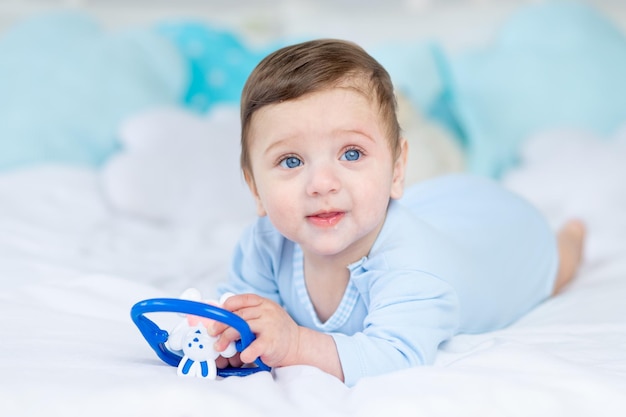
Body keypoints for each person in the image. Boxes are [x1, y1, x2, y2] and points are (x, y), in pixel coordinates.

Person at [209, 39, 585, 386]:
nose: (322, 184)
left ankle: (571, 235)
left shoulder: (412, 267)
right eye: (291, 160)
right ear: (255, 188)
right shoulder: (264, 244)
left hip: (507, 237)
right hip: (439, 207)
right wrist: (223, 334)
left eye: (351, 154)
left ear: (398, 169)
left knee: (555, 266)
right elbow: (247, 309)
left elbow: (396, 355)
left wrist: (297, 345)